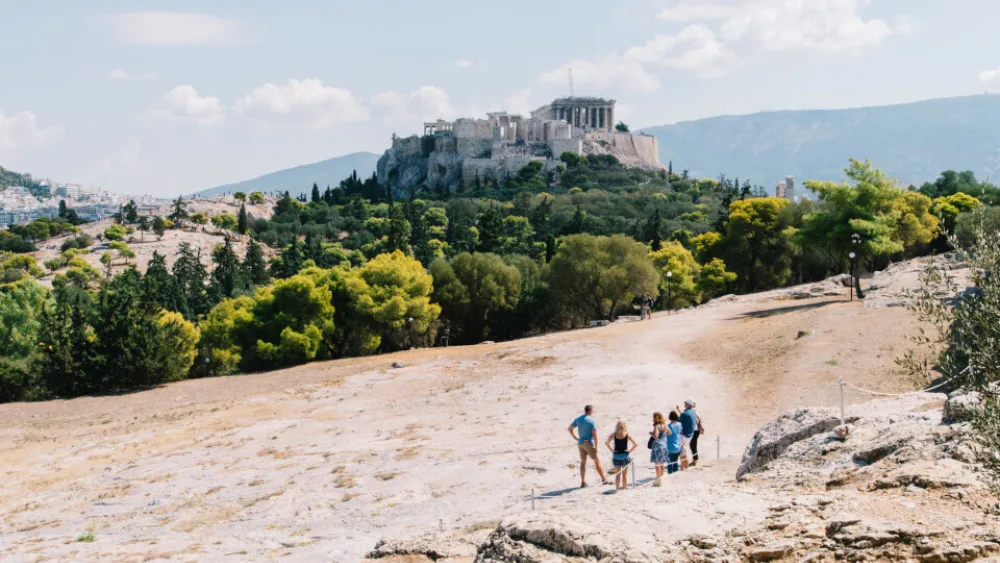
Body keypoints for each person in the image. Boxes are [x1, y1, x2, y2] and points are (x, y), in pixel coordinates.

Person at [569, 405, 608, 488]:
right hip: (589, 443)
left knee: (583, 462)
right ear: (590, 411)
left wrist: (576, 438)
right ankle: (604, 479)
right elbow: (595, 435)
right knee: (596, 461)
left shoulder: (578, 419)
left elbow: (570, 428)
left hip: (580, 443)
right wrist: (596, 446)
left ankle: (583, 482)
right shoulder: (591, 421)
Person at [605, 420, 638, 492]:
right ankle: (624, 489)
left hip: (616, 456)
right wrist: (629, 451)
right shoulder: (626, 434)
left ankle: (617, 489)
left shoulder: (614, 434)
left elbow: (606, 442)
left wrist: (612, 450)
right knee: (624, 475)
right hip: (625, 456)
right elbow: (635, 444)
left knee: (617, 475)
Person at [649, 412, 670, 486]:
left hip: (658, 446)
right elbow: (670, 433)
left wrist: (651, 433)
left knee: (657, 465)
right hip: (664, 445)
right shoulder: (665, 425)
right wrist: (664, 436)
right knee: (661, 464)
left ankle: (658, 479)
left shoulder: (657, 426)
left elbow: (656, 436)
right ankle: (662, 479)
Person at [677, 399, 698, 470]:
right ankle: (685, 466)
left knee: (682, 452)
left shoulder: (685, 413)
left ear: (689, 404)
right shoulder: (693, 412)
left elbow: (677, 423)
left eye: (685, 403)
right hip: (690, 434)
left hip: (684, 435)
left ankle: (684, 467)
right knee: (684, 451)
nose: (684, 404)